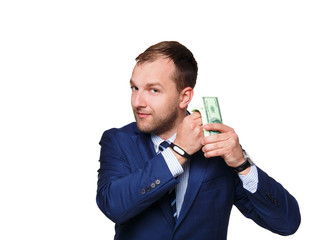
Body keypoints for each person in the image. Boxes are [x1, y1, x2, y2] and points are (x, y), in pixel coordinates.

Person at [96, 41, 301, 240]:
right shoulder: (118, 141)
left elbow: (287, 223)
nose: (137, 102)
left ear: (184, 97)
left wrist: (242, 164)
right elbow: (113, 206)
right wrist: (178, 152)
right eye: (135, 88)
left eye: (153, 90)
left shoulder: (217, 146)